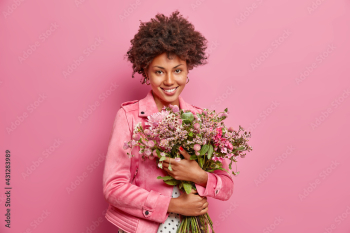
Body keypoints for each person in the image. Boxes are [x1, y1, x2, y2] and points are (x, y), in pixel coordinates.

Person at [102, 10, 234, 233]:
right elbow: (114, 188)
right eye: (160, 72)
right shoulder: (130, 117)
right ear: (146, 71)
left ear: (188, 69)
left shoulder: (202, 120)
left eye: (178, 70)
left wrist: (198, 176)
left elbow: (227, 187)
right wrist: (174, 206)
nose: (170, 80)